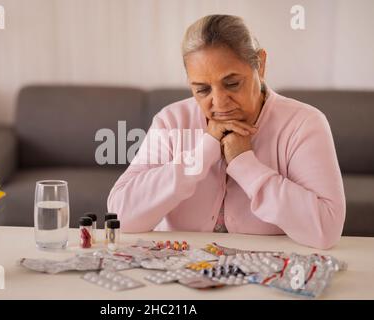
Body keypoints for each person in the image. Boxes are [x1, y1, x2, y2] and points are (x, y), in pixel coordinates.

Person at [107, 14, 345, 249]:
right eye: (202, 90)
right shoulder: (171, 121)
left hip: (264, 275)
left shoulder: (303, 124)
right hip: (179, 275)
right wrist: (203, 152)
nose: (219, 103)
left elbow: (326, 230)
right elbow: (121, 215)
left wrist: (244, 164)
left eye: (232, 84)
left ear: (260, 65)